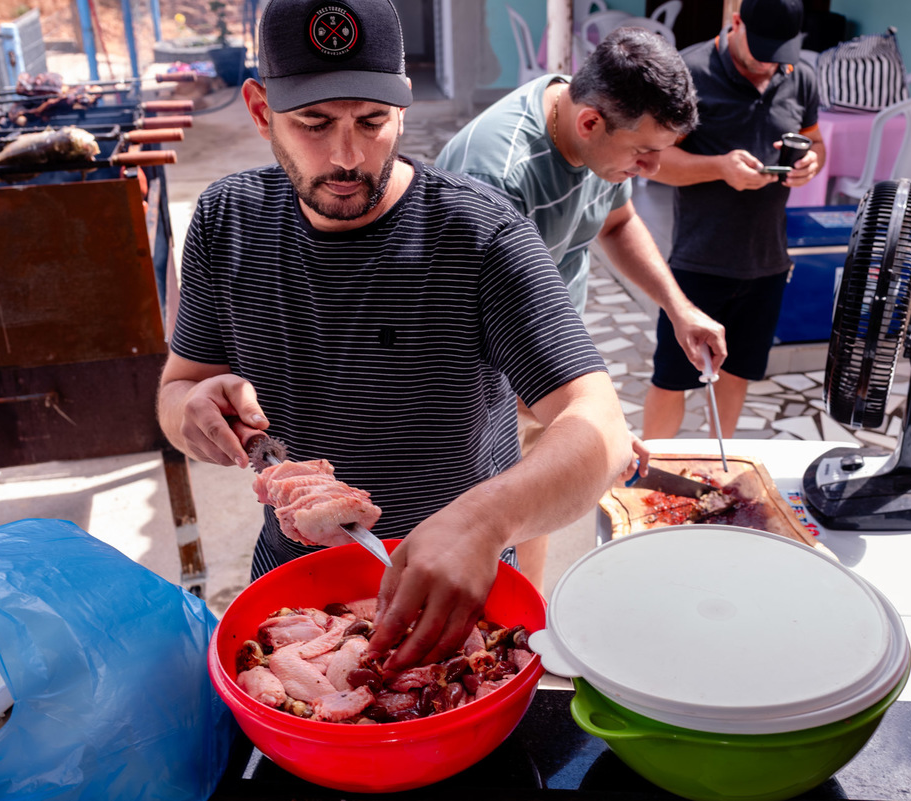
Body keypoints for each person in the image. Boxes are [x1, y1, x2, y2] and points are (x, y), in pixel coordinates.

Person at [156, 0, 633, 671]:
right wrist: (193, 413)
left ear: (403, 108)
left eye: (372, 123)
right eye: (314, 124)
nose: (346, 157)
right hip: (293, 592)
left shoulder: (478, 234)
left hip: (457, 593)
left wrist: (483, 522)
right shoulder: (225, 220)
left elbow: (601, 426)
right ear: (262, 112)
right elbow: (179, 388)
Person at [435, 27, 727, 585]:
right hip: (482, 375)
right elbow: (474, 329)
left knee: (538, 501)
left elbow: (617, 223)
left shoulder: (598, 136)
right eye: (644, 153)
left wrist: (677, 306)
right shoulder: (495, 175)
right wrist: (590, 425)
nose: (651, 171)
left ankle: (533, 617)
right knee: (486, 527)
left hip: (544, 351)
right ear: (590, 122)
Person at [641, 0, 826, 441]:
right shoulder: (690, 73)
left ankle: (717, 463)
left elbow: (815, 139)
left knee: (737, 371)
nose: (769, 64)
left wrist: (811, 163)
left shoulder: (800, 76)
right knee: (673, 377)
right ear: (735, 22)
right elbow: (655, 160)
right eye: (761, 50)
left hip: (766, 261)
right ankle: (648, 472)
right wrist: (719, 167)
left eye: (780, 53)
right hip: (699, 260)